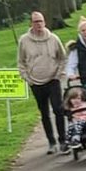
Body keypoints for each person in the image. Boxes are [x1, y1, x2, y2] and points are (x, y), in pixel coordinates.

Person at [17, 11, 67, 155]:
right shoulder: (24, 41)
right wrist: (27, 78)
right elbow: (21, 62)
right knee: (44, 112)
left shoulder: (53, 39)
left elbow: (62, 58)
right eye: (35, 22)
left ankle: (63, 140)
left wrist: (58, 74)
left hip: (53, 79)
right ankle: (51, 142)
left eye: (41, 21)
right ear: (31, 24)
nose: (38, 24)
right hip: (36, 82)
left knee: (58, 110)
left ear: (44, 22)